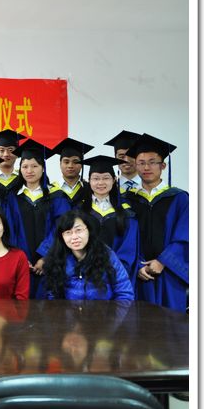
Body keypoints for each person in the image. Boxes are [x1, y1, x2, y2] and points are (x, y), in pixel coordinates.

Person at [124, 134, 188, 312]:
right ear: (136, 165)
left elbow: (186, 236)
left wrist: (162, 261)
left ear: (163, 166)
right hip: (137, 274)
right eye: (141, 163)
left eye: (152, 162)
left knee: (171, 323)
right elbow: (123, 238)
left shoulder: (180, 198)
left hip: (169, 274)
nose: (146, 167)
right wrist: (137, 265)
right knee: (137, 322)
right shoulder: (127, 200)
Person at [11, 139, 72, 298]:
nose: (29, 170)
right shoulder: (12, 198)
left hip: (50, 262)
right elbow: (9, 230)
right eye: (25, 166)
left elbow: (61, 228)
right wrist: (20, 258)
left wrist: (46, 256)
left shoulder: (56, 196)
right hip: (20, 263)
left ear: (43, 168)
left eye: (34, 166)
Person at [41, 210, 134, 300]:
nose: (74, 237)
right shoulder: (56, 258)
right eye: (68, 232)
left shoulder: (106, 254)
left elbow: (125, 293)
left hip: (103, 310)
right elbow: (52, 296)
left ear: (88, 230)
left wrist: (114, 312)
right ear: (62, 236)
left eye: (78, 230)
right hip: (68, 311)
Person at [78, 155, 139, 282]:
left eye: (106, 178)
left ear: (114, 180)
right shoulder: (79, 210)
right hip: (85, 275)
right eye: (96, 178)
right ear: (89, 180)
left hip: (116, 275)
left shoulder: (126, 211)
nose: (101, 183)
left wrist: (115, 270)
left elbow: (129, 246)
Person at [50, 137, 94, 207]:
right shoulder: (50, 190)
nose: (70, 166)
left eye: (75, 162)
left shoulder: (91, 189)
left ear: (82, 164)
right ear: (60, 164)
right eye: (66, 162)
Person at [0, 129, 26, 198]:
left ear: (17, 154)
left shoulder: (24, 178)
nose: (6, 154)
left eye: (10, 150)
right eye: (1, 150)